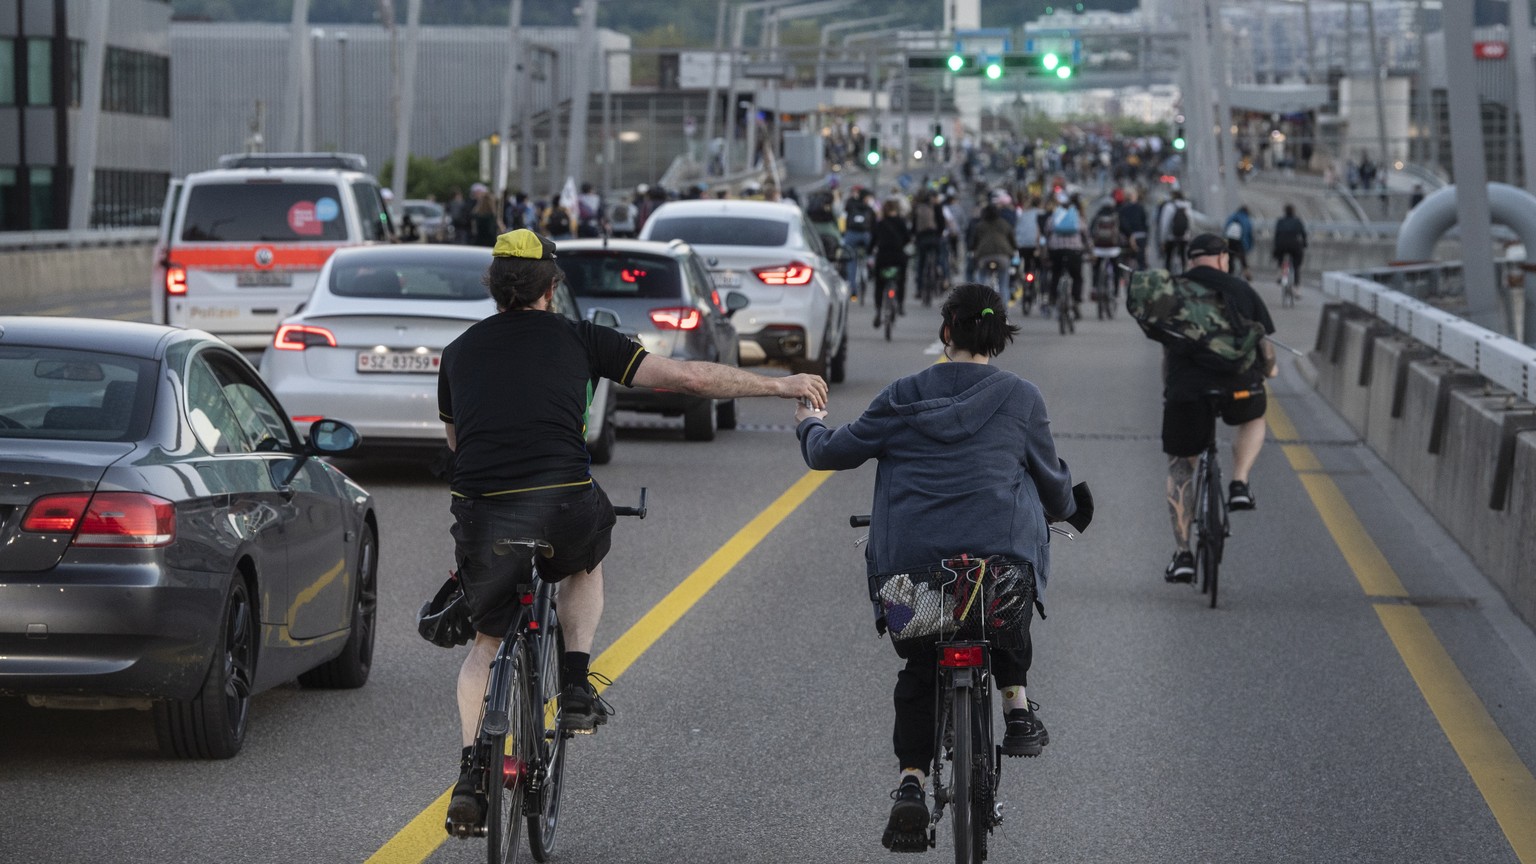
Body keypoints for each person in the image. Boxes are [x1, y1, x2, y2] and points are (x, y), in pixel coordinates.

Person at [441, 229, 829, 833]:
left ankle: (469, 777)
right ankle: (573, 684)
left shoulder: (459, 351)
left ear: (495, 286)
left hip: (482, 513)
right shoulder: (582, 338)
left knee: (484, 647)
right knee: (585, 558)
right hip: (562, 503)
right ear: (551, 287)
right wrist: (780, 384)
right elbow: (688, 379)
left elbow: (458, 443)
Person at [791, 282, 1087, 849]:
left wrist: (809, 421)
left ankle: (910, 784)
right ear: (1000, 336)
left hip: (909, 576)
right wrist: (1075, 509)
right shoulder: (1022, 398)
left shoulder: (902, 395)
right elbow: (1054, 487)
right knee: (1005, 600)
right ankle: (1017, 710)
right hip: (998, 574)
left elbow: (829, 452)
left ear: (946, 331)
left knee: (920, 669)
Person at [1161, 234, 1278, 582]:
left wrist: (1171, 389)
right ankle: (1240, 483)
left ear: (1190, 260)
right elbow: (1263, 342)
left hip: (1188, 391)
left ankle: (1183, 554)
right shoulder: (1242, 290)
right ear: (1223, 258)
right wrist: (1268, 369)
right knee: (1255, 416)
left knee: (1183, 465)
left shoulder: (1172, 291)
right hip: (1238, 387)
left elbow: (1166, 350)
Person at [869, 197, 912, 324]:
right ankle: (900, 305)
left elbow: (873, 241)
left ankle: (878, 310)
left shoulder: (880, 224)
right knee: (901, 280)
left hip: (883, 257)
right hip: (898, 257)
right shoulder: (901, 222)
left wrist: (869, 251)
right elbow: (908, 238)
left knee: (879, 284)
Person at [1044, 192, 1087, 315]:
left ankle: (1052, 298)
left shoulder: (1053, 218)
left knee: (1055, 274)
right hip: (1074, 251)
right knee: (1077, 277)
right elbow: (1086, 236)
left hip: (1056, 251)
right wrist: (1089, 250)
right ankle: (1076, 301)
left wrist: (1047, 249)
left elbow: (1047, 233)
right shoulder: (1077, 218)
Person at [970, 203, 1016, 296]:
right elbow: (1012, 240)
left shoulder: (980, 226)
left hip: (984, 256)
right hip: (1003, 255)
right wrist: (1014, 249)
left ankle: (980, 301)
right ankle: (1004, 308)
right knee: (1003, 285)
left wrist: (973, 251)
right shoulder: (1004, 224)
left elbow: (973, 242)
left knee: (981, 279)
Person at [842, 188, 876, 301]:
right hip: (865, 236)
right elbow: (874, 225)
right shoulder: (870, 209)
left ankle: (853, 292)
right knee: (871, 251)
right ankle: (870, 264)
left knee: (851, 261)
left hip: (851, 235)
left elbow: (845, 213)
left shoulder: (851, 205)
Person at [1271, 204, 1308, 288]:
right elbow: (1303, 234)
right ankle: (1296, 287)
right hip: (1294, 245)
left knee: (1280, 256)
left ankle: (1281, 272)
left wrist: (1276, 247)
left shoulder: (1280, 221)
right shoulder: (1298, 221)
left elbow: (1277, 235)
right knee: (1296, 266)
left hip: (1282, 245)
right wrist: (1305, 244)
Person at [1159, 191, 1192, 272]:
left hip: (1171, 237)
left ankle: (1168, 276)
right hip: (1184, 236)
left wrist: (1162, 239)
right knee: (1183, 257)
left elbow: (1164, 224)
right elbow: (1191, 222)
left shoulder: (1169, 206)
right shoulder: (1187, 206)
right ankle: (1184, 274)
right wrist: (1190, 235)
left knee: (1169, 258)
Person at [1223, 205, 1254, 280]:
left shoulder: (1232, 216)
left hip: (1229, 241)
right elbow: (1249, 235)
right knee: (1243, 259)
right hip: (1240, 242)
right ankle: (1247, 273)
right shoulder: (1246, 219)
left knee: (1230, 259)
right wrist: (1249, 247)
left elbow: (1225, 228)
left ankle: (1229, 274)